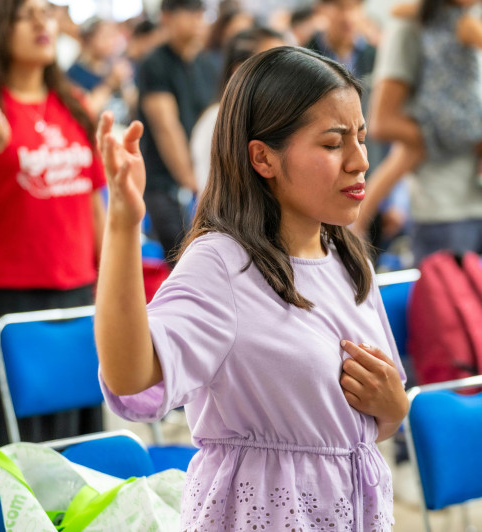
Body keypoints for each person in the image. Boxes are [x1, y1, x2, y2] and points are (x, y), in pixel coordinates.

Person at [95, 46, 408, 531]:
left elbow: (361, 422)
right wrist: (122, 227)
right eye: (332, 143)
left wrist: (394, 409)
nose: (359, 161)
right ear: (263, 157)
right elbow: (130, 374)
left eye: (361, 139)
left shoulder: (348, 258)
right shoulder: (222, 263)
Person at [0, 0, 106, 456]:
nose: (41, 22)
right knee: (1, 458)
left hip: (73, 300)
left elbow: (93, 205)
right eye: (25, 14)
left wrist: (112, 284)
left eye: (47, 12)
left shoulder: (75, 105)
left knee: (74, 454)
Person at [352, 0, 482, 260]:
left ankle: (355, 226)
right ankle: (355, 227)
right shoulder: (433, 25)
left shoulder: (464, 20)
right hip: (443, 210)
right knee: (404, 156)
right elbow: (382, 121)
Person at [136, 0, 212, 265]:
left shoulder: (208, 64)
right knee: (185, 262)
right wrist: (192, 183)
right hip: (166, 184)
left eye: (200, 13)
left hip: (204, 182)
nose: (197, 19)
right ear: (166, 17)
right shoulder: (154, 63)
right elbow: (165, 128)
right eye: (189, 12)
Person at [190, 26, 285, 195]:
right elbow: (213, 192)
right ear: (240, 70)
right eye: (273, 66)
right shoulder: (217, 120)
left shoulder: (274, 118)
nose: (287, 76)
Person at [66, 17, 135, 124]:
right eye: (105, 36)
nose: (111, 41)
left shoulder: (116, 66)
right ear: (88, 39)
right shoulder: (74, 73)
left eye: (112, 36)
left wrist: (126, 83)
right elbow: (86, 111)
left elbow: (133, 106)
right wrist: (109, 84)